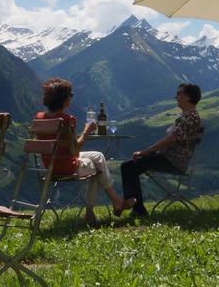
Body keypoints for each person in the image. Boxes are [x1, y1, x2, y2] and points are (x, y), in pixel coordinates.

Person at [36, 78, 136, 224]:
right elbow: (75, 151)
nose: (71, 97)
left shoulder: (39, 117)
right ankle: (98, 209)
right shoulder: (66, 119)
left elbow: (65, 146)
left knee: (98, 156)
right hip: (66, 167)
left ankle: (114, 202)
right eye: (71, 95)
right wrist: (87, 131)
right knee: (97, 167)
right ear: (64, 99)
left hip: (49, 164)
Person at [121, 83, 202, 218]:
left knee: (128, 167)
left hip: (173, 161)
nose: (176, 97)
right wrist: (148, 153)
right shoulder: (186, 116)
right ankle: (136, 208)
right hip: (169, 158)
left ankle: (136, 208)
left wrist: (146, 152)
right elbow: (171, 139)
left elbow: (171, 139)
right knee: (130, 167)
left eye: (179, 93)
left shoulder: (190, 118)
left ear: (188, 97)